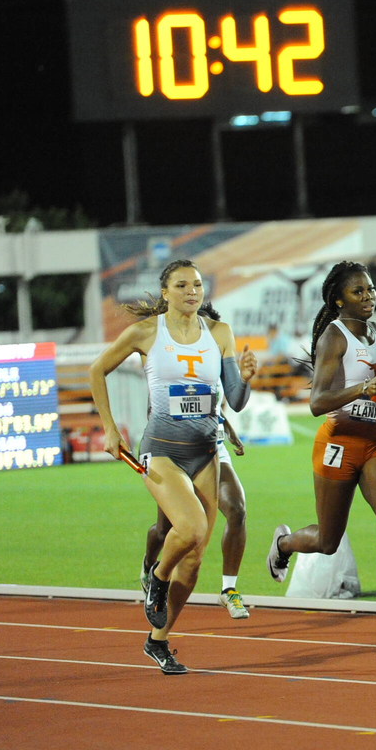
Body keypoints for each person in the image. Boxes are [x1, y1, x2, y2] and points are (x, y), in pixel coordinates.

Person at [90, 259, 257, 674]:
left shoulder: (220, 333)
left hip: (205, 450)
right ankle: (158, 578)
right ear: (165, 292)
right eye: (182, 285)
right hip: (162, 449)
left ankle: (158, 641)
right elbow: (97, 369)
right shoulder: (148, 332)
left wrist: (248, 378)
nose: (192, 292)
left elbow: (234, 399)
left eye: (197, 285)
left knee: (196, 557)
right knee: (194, 527)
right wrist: (110, 429)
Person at [265, 261, 376, 650]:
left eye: (370, 289)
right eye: (358, 291)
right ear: (339, 300)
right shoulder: (333, 338)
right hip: (339, 443)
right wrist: (364, 389)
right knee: (327, 540)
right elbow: (317, 402)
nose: (368, 296)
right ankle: (284, 544)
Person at [140, 302, 252, 620]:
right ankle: (149, 567)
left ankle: (229, 589)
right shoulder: (170, 365)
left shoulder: (218, 358)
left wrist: (228, 430)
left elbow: (218, 403)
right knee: (165, 530)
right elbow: (159, 413)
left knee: (238, 509)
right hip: (172, 453)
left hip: (212, 449)